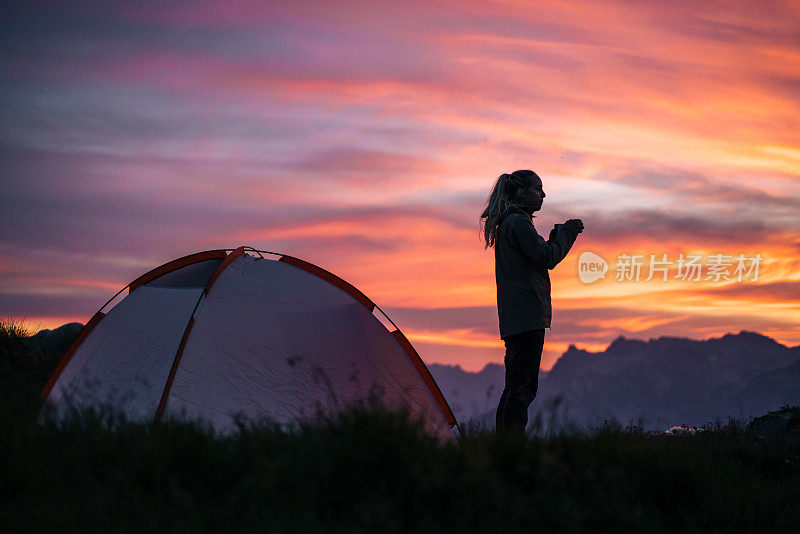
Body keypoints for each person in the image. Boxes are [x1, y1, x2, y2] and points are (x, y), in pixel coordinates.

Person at [480, 170, 583, 437]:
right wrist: (566, 234)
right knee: (522, 387)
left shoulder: (510, 224)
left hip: (516, 318)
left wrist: (557, 236)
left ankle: (504, 449)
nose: (543, 194)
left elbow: (537, 255)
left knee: (515, 385)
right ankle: (512, 451)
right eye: (538, 189)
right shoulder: (518, 223)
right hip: (526, 317)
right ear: (521, 192)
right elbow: (546, 257)